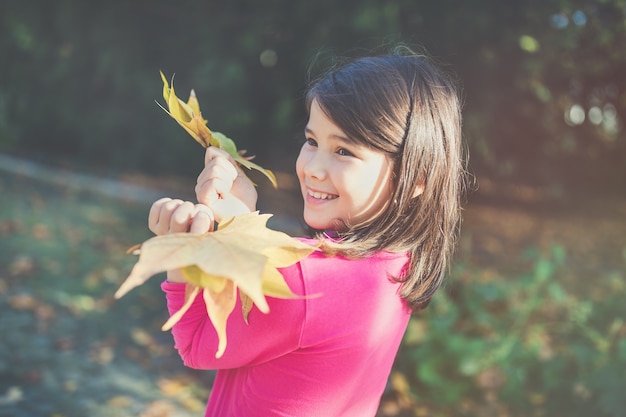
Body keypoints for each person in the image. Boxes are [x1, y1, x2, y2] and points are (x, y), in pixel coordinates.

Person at [148, 45, 467, 417]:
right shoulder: (396, 265)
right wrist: (242, 219)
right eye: (312, 141)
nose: (313, 167)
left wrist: (185, 251)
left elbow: (198, 343)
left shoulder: (302, 283)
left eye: (344, 151)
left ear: (417, 178)